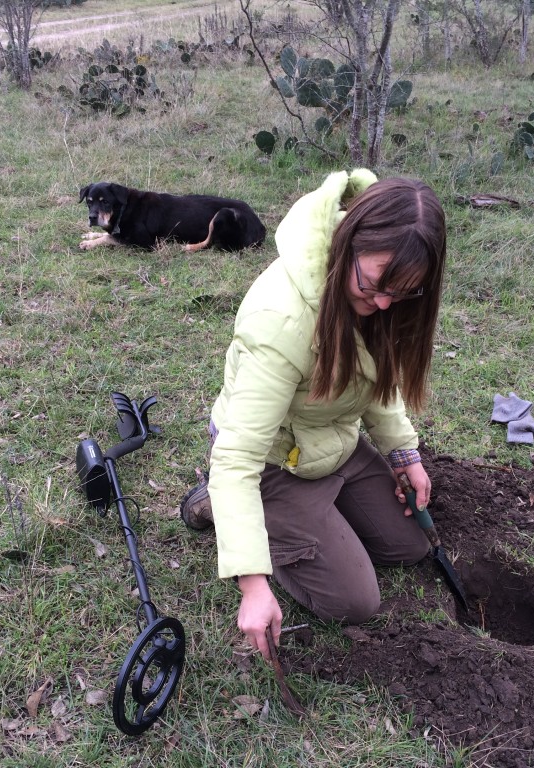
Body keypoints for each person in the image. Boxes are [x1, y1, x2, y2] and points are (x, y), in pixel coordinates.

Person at [179, 168, 447, 660]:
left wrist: (402, 451)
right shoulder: (281, 320)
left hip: (331, 441)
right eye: (375, 285)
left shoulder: (384, 298)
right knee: (354, 601)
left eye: (403, 292)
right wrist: (252, 582)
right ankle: (225, 509)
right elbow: (238, 456)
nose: (385, 302)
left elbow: (376, 379)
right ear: (348, 242)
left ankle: (319, 513)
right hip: (273, 460)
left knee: (409, 547)